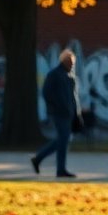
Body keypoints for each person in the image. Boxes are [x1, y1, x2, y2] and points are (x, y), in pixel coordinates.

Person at [30, 48, 81, 178]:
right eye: (70, 62)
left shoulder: (70, 77)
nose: (71, 65)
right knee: (63, 139)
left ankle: (40, 159)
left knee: (62, 140)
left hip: (68, 114)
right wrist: (57, 107)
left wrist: (76, 113)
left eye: (73, 63)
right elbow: (46, 92)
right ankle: (59, 168)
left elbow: (73, 97)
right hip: (59, 113)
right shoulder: (54, 74)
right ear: (64, 61)